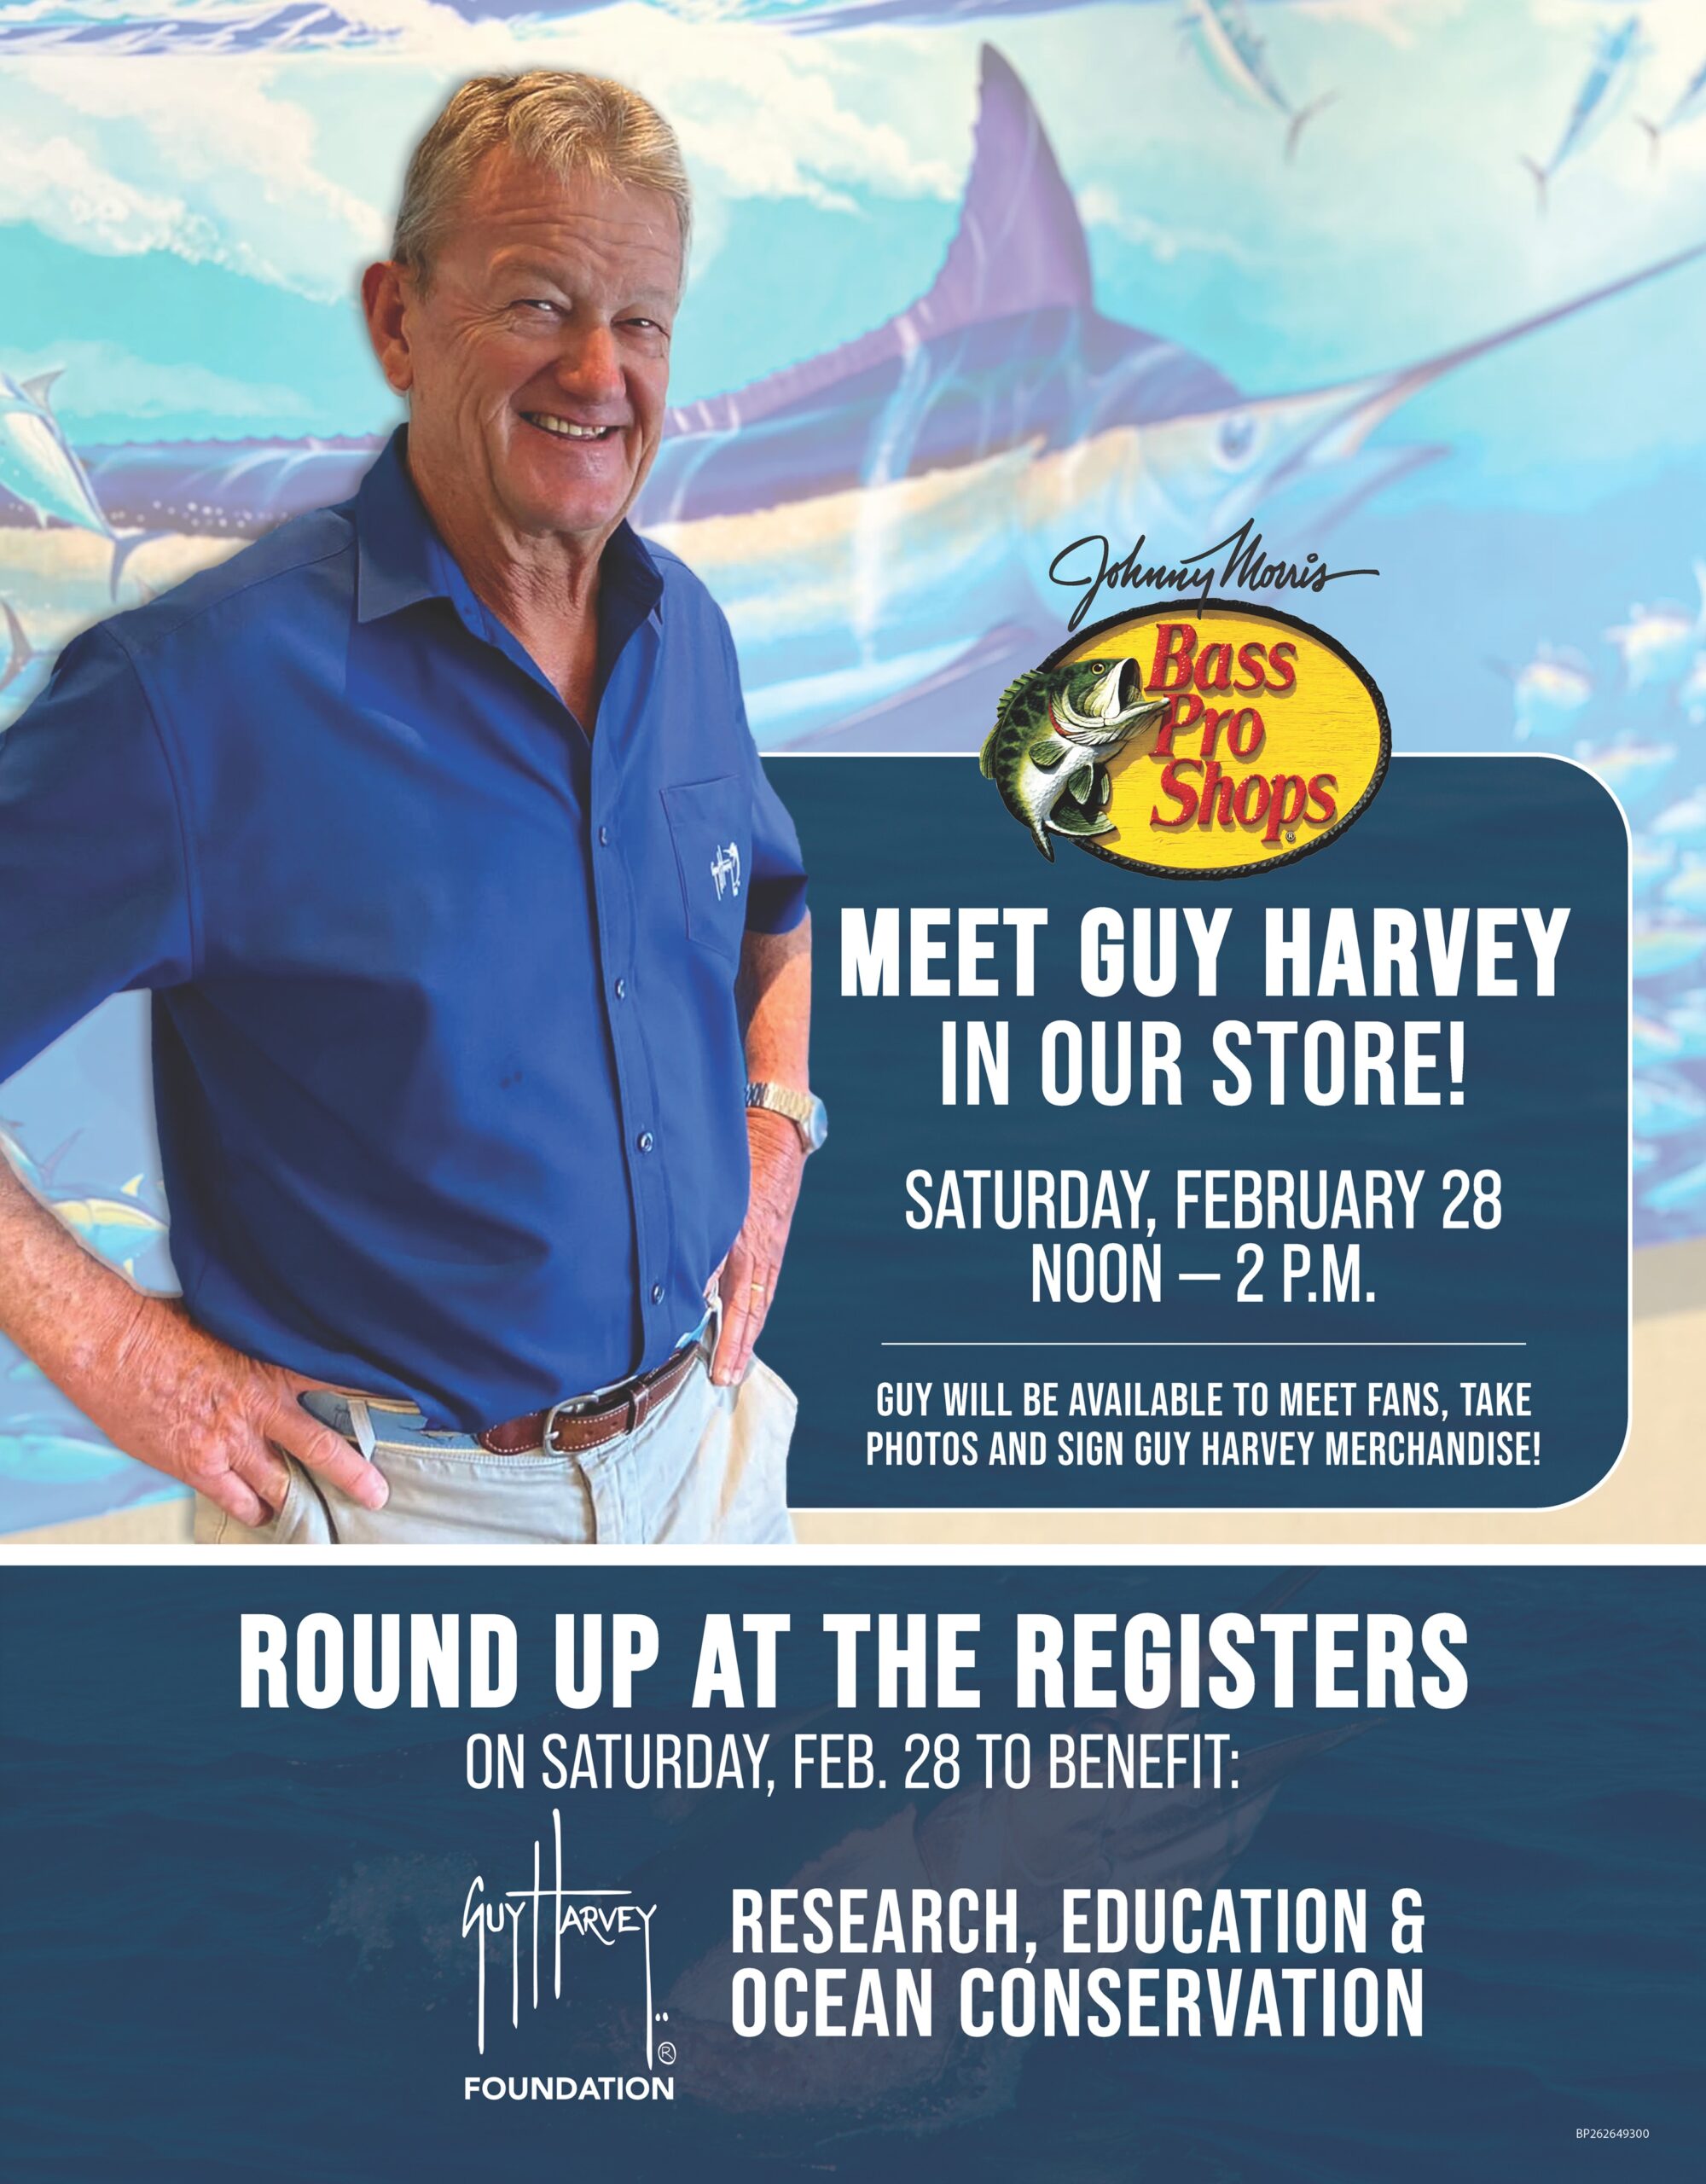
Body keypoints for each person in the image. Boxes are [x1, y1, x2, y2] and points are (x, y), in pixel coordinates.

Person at [0, 69, 824, 1545]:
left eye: (639, 321)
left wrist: (773, 1135)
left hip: (706, 1463)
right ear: (396, 319)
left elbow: (769, 904)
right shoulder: (193, 696)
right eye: (534, 304)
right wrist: (123, 1357)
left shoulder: (680, 628)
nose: (597, 371)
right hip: (408, 1519)